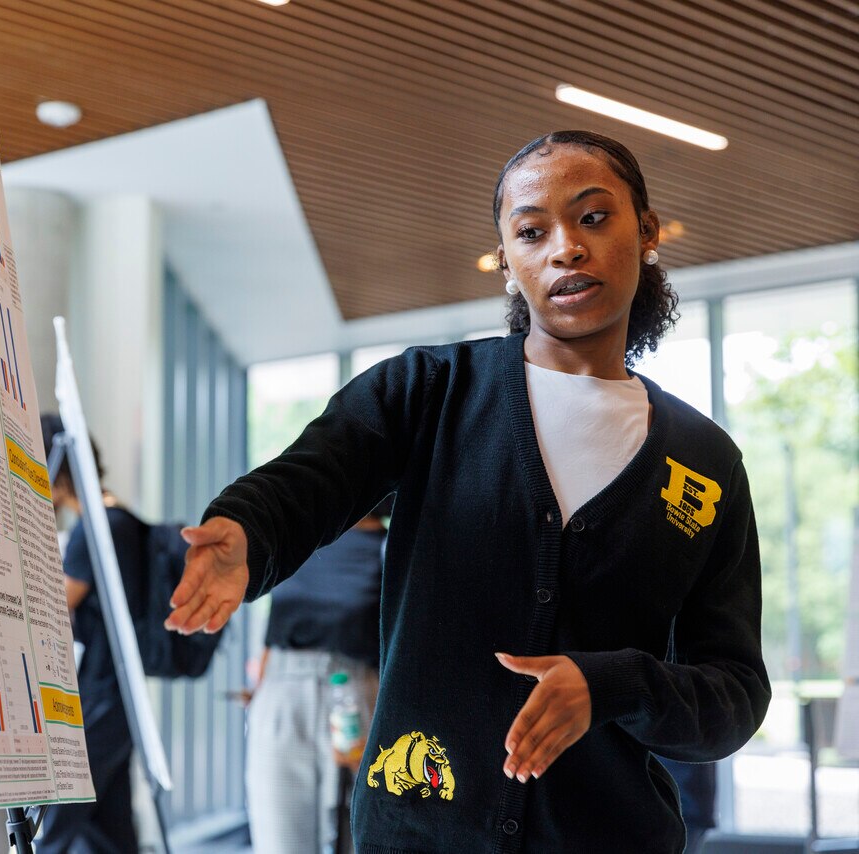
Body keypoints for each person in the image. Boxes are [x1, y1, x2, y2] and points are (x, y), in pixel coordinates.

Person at [165, 131, 771, 853]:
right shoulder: (429, 392)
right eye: (531, 230)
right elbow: (317, 473)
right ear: (509, 263)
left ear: (645, 231)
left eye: (593, 218)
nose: (565, 249)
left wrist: (612, 686)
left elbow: (733, 694)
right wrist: (246, 530)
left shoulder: (703, 463)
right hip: (420, 829)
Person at [246, 500, 389, 854]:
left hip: (358, 694)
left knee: (359, 837)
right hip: (282, 690)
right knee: (278, 839)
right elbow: (274, 628)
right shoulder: (299, 540)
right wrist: (260, 686)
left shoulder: (392, 547)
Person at [37, 412, 142, 854]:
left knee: (54, 827)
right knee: (110, 830)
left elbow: (53, 608)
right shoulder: (123, 519)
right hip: (121, 698)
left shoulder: (94, 530)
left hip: (99, 697)